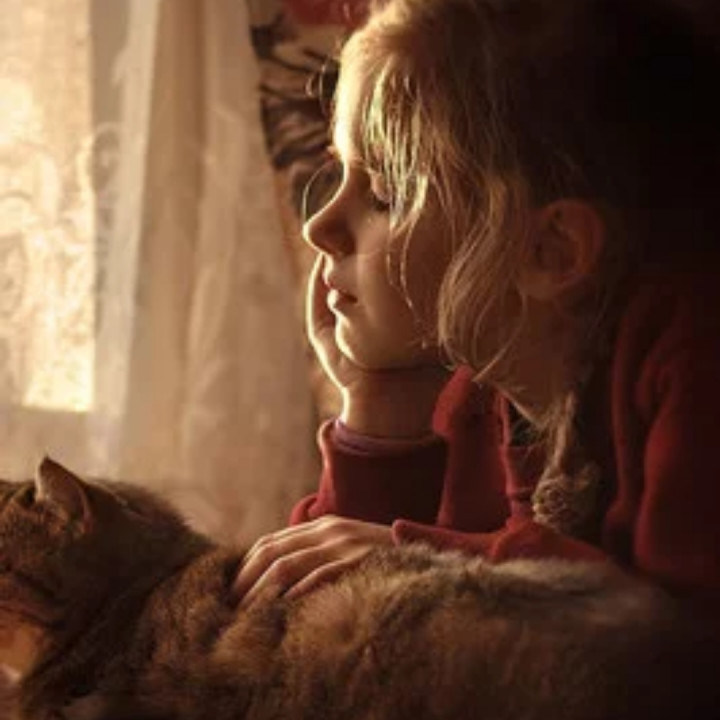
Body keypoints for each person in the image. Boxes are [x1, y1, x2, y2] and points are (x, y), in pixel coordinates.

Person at [235, 0, 720, 611]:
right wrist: (377, 405)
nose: (319, 227)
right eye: (340, 176)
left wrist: (428, 559)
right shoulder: (481, 388)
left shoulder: (692, 357)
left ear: (551, 251)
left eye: (384, 193)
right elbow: (329, 605)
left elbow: (682, 633)